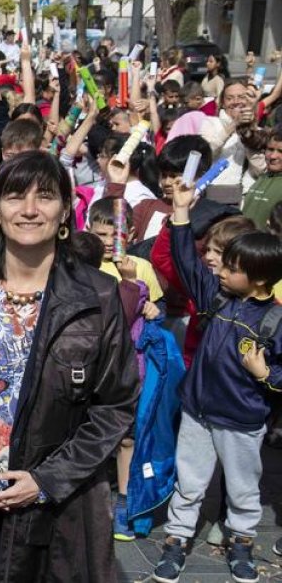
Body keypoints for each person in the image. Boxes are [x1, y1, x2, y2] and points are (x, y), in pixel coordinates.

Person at [0, 151, 138, 582]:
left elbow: (115, 404)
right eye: (16, 196)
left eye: (46, 196)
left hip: (60, 505)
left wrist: (46, 479)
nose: (30, 209)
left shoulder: (100, 296)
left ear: (63, 214)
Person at [150, 181, 282, 583]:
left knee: (243, 487)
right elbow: (187, 264)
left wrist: (266, 376)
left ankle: (241, 541)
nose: (220, 271)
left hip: (242, 420)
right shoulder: (218, 299)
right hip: (198, 412)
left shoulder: (275, 321)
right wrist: (180, 213)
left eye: (231, 268)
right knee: (189, 482)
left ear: (259, 278)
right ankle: (176, 539)